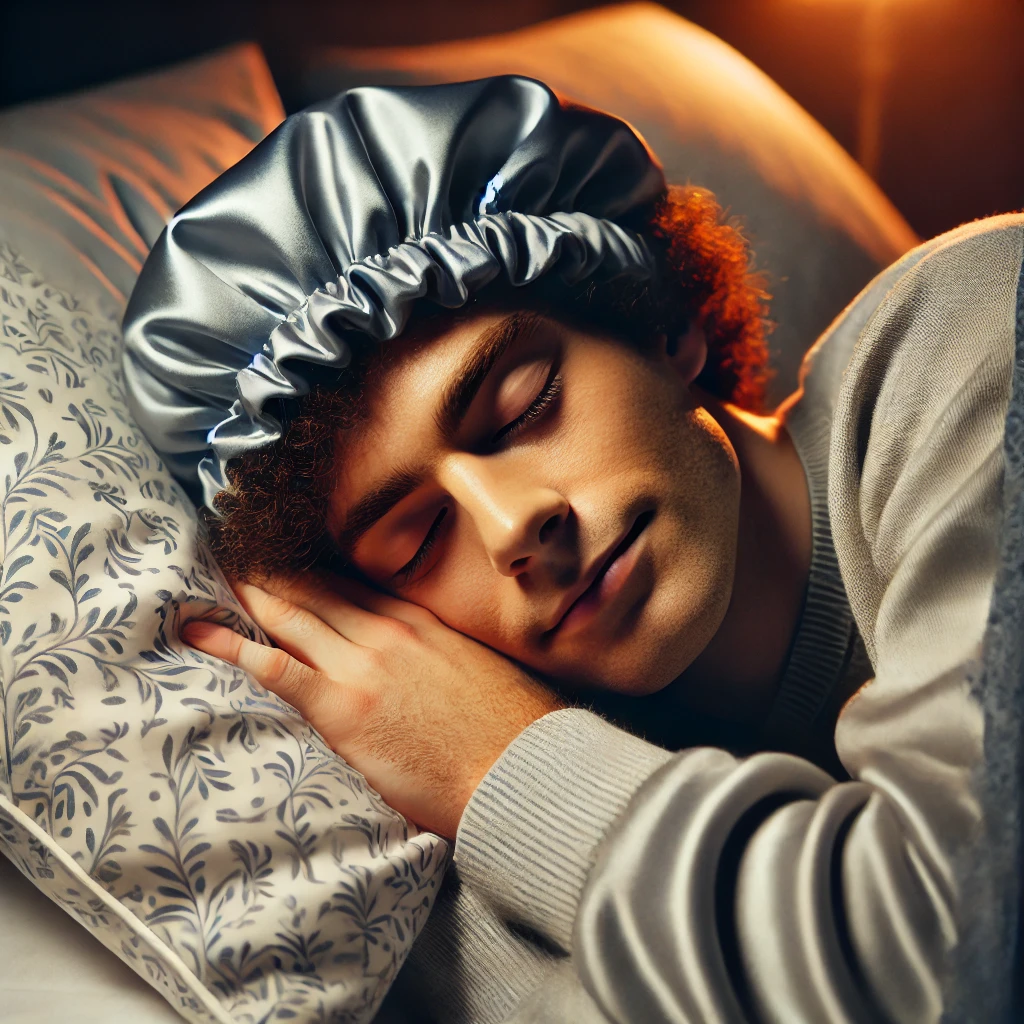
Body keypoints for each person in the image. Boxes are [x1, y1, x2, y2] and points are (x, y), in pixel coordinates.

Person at [122, 76, 1022, 1023]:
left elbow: (961, 963)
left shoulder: (969, 328)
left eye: (522, 407)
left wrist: (502, 766)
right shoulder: (458, 833)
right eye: (418, 537)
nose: (512, 526)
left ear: (662, 324)